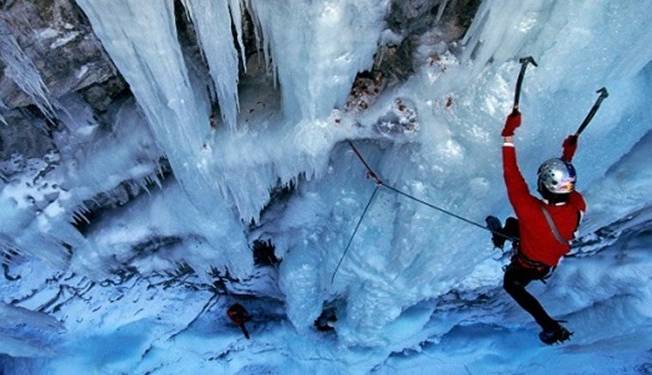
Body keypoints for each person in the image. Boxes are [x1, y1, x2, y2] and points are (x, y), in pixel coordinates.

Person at [486, 109, 586, 345]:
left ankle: (549, 326)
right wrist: (567, 158)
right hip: (542, 263)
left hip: (526, 263)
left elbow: (512, 174)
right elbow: (562, 186)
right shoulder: (577, 205)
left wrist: (508, 134)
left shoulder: (530, 209)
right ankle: (500, 237)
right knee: (513, 224)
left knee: (511, 284)